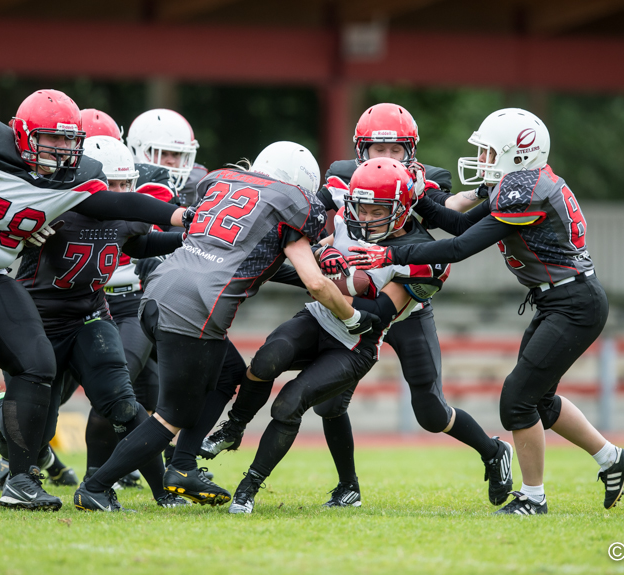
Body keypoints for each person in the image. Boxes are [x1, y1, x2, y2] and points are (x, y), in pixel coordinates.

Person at [0, 88, 185, 510]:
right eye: (52, 138)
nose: (62, 149)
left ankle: (21, 479)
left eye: (69, 140)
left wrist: (183, 217)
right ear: (22, 134)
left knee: (36, 363)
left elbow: (122, 203)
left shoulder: (76, 178)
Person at [203, 103, 513, 509]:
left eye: (395, 150)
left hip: (401, 303)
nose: (384, 159)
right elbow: (307, 219)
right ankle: (347, 485)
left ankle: (493, 452)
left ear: (411, 152)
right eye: (375, 149)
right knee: (328, 402)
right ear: (359, 149)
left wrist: (486, 194)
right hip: (348, 301)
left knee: (431, 412)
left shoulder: (424, 184)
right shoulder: (343, 179)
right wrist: (321, 250)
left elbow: (451, 221)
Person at [348, 107, 624, 515]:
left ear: (516, 154)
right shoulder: (522, 182)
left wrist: (388, 253)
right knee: (538, 399)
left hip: (573, 302)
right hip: (559, 300)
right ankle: (611, 458)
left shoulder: (526, 190)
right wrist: (420, 202)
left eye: (488, 152)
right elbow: (461, 227)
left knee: (517, 400)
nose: (481, 160)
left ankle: (533, 499)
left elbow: (458, 249)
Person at [72, 141, 375, 511]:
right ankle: (97, 485)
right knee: (173, 415)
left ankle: (182, 467)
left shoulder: (222, 183)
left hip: (156, 292)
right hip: (195, 307)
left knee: (228, 371)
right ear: (301, 184)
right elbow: (314, 282)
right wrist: (352, 317)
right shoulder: (292, 205)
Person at [224, 158, 452, 514]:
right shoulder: (347, 220)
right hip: (318, 319)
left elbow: (375, 315)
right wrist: (325, 251)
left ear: (404, 209)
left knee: (290, 402)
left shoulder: (421, 254)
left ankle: (248, 487)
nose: (366, 213)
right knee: (267, 358)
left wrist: (333, 284)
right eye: (360, 203)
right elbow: (315, 254)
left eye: (378, 207)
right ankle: (233, 427)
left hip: (355, 341)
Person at [0, 134, 188, 509]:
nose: (118, 193)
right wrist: (23, 234)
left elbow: (138, 246)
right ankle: (18, 472)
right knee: (39, 425)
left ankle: (163, 492)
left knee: (123, 402)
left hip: (89, 315)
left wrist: (184, 239)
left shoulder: (129, 215)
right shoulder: (52, 205)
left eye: (124, 184)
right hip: (36, 322)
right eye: (110, 184)